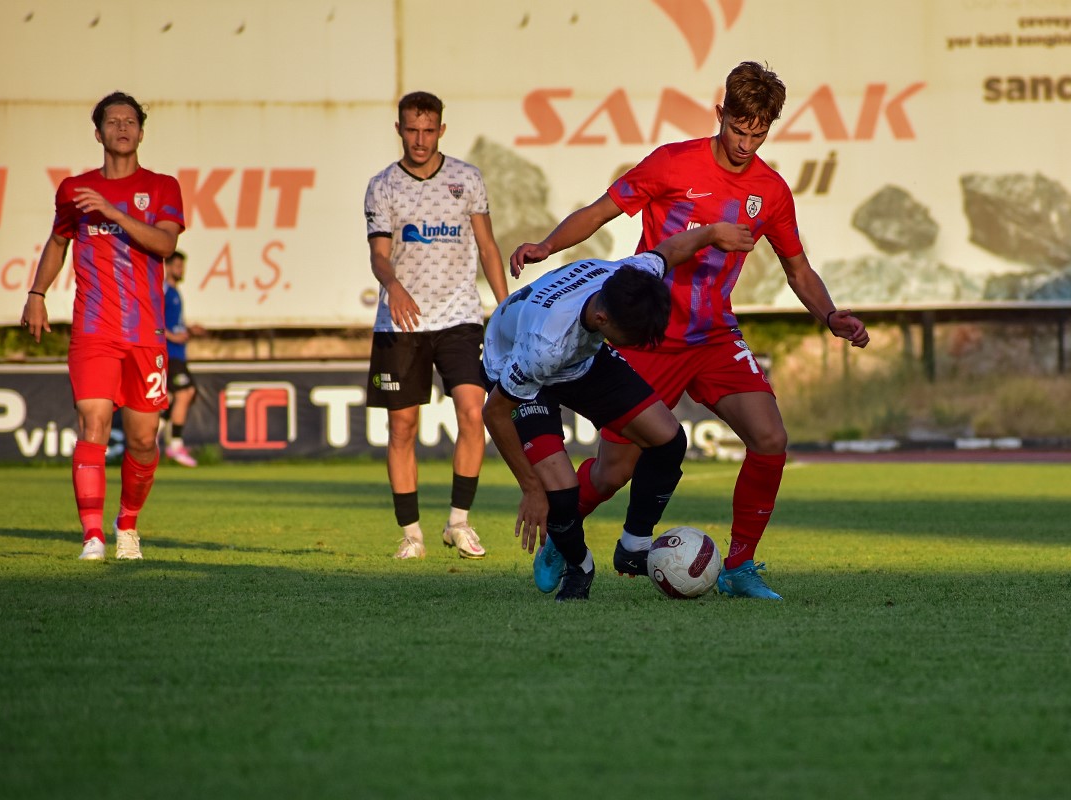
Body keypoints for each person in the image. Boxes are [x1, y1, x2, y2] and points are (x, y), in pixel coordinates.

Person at [510, 61, 870, 600]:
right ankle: (562, 542)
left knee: (771, 440)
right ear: (719, 112)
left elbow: (799, 270)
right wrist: (546, 247)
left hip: (714, 338)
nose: (747, 142)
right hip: (647, 336)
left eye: (759, 132)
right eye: (738, 128)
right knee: (612, 474)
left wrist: (830, 315)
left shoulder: (770, 191)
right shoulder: (672, 163)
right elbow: (600, 212)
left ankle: (739, 567)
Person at [484, 222, 754, 601]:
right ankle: (578, 565)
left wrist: (712, 234)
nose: (643, 346)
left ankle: (634, 545)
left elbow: (673, 248)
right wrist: (531, 488)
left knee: (669, 440)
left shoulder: (629, 278)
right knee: (559, 495)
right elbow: (494, 413)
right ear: (604, 321)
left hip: (583, 356)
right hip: (517, 360)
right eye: (636, 340)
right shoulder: (543, 348)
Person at [20, 91, 185, 561]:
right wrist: (37, 294)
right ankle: (92, 535)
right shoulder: (74, 189)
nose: (122, 127)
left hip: (146, 333)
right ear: (99, 133)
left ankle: (126, 524)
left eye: (130, 121)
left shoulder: (161, 187)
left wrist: (114, 213)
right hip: (93, 330)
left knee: (142, 439)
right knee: (93, 423)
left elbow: (165, 245)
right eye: (112, 121)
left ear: (140, 131)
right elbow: (58, 241)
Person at [364, 91, 508, 561]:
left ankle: (458, 523)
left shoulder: (466, 179)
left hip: (459, 317)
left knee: (473, 410)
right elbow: (379, 256)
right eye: (412, 130)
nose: (420, 139)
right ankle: (412, 534)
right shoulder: (383, 186)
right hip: (400, 323)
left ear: (441, 130)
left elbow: (487, 247)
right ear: (399, 129)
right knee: (402, 427)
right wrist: (396, 287)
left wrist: (505, 307)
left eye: (428, 130)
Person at [162, 250, 205, 467]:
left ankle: (158, 434)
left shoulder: (176, 293)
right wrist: (173, 336)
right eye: (177, 266)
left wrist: (188, 330)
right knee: (185, 392)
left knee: (175, 397)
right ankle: (175, 445)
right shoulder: (164, 290)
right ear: (168, 266)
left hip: (178, 354)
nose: (181, 270)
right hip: (169, 355)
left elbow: (172, 324)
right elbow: (153, 322)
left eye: (182, 266)